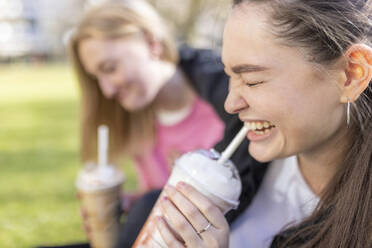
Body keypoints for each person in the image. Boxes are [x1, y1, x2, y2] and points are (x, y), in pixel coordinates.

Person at [148, 0, 372, 247]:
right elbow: (197, 64)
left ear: (351, 74)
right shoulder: (247, 148)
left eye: (253, 81)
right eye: (229, 75)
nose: (231, 104)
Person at [69, 0, 225, 210]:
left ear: (152, 43)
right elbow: (157, 196)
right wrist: (130, 205)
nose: (107, 91)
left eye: (110, 68)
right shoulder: (137, 123)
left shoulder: (224, 108)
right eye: (96, 77)